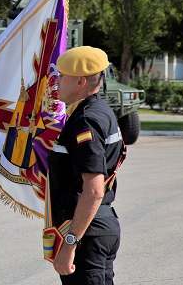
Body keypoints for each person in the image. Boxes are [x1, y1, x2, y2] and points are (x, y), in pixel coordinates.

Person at [47, 46, 125, 284]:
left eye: (62, 76)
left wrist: (71, 243)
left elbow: (93, 190)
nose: (56, 81)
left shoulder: (85, 122)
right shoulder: (97, 110)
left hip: (87, 233)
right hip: (96, 227)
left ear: (80, 82)